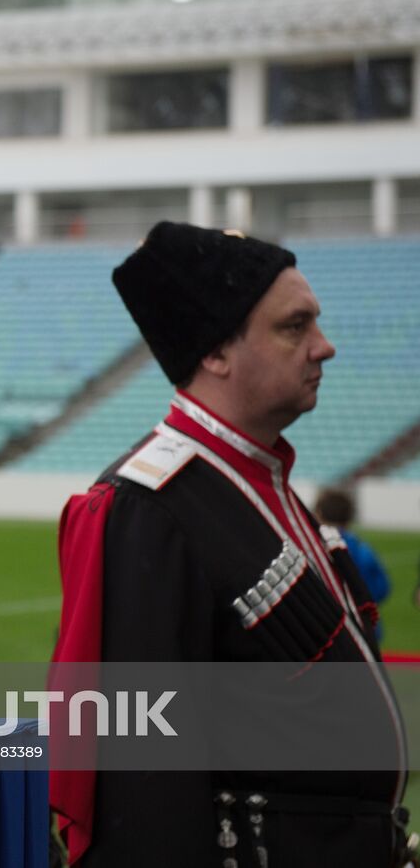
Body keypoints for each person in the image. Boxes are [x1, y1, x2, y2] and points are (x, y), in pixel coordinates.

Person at [50, 222, 407, 867]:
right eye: (294, 327)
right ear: (216, 352)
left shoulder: (262, 481)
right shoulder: (149, 506)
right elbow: (141, 781)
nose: (324, 347)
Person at [316, 487, 391, 642]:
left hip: (329, 630)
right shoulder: (362, 548)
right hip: (365, 626)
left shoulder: (315, 548)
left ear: (319, 514)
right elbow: (382, 588)